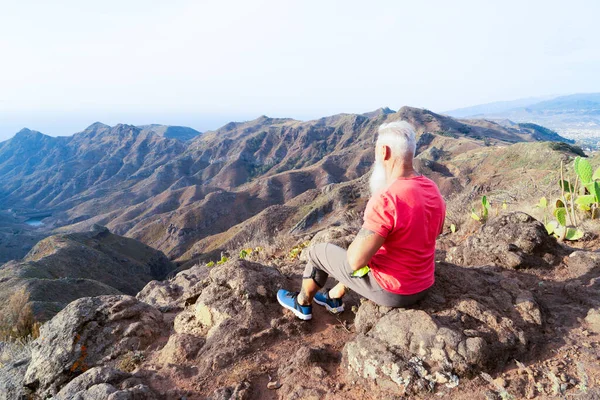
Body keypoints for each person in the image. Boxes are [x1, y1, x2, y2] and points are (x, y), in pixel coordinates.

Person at [277, 121, 446, 320]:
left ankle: (302, 303)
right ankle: (333, 297)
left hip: (394, 292)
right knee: (373, 251)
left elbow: (355, 262)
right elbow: (437, 230)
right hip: (424, 284)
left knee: (318, 252)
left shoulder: (387, 198)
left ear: (384, 152)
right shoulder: (432, 188)